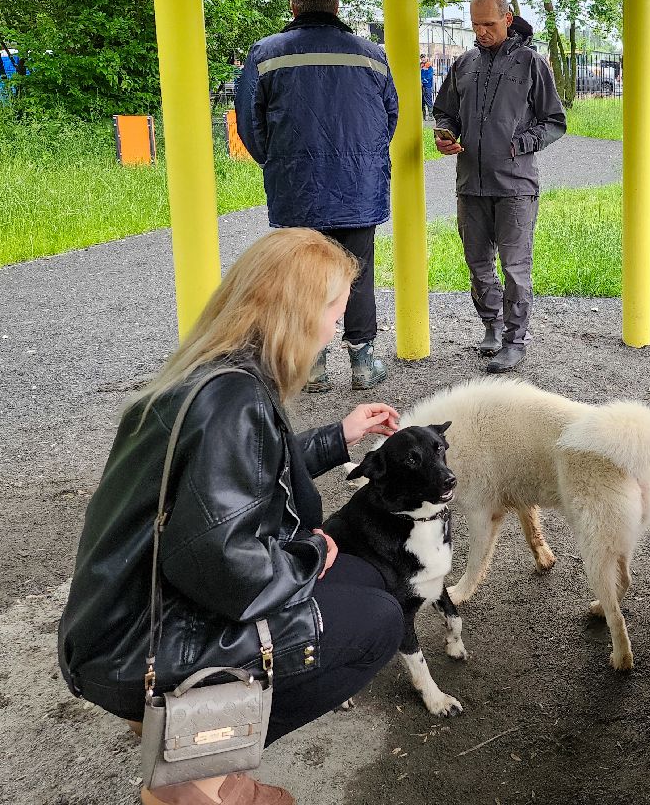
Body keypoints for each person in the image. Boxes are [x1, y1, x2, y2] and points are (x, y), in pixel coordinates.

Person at [58, 228, 405, 805]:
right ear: (296, 314)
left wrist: (339, 439)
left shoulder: (211, 374)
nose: (335, 330)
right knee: (378, 625)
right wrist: (310, 552)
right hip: (137, 647)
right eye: (334, 312)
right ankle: (196, 771)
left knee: (366, 579)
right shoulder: (233, 401)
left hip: (121, 615)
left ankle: (207, 758)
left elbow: (245, 476)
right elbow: (224, 569)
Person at [234, 0, 398, 392]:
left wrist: (277, 161)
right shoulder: (371, 55)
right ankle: (363, 361)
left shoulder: (266, 54)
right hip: (359, 186)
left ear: (294, 6)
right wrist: (364, 162)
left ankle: (313, 365)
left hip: (297, 185)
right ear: (337, 6)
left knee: (304, 272)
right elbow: (390, 117)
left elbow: (250, 125)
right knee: (358, 270)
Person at [432, 0, 567, 373]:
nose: (481, 32)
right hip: (470, 184)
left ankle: (515, 340)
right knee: (477, 263)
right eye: (475, 25)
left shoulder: (531, 63)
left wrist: (520, 143)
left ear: (507, 19)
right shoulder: (464, 64)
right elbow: (445, 112)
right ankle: (491, 325)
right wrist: (443, 133)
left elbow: (555, 121)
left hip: (515, 186)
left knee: (514, 266)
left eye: (488, 24)